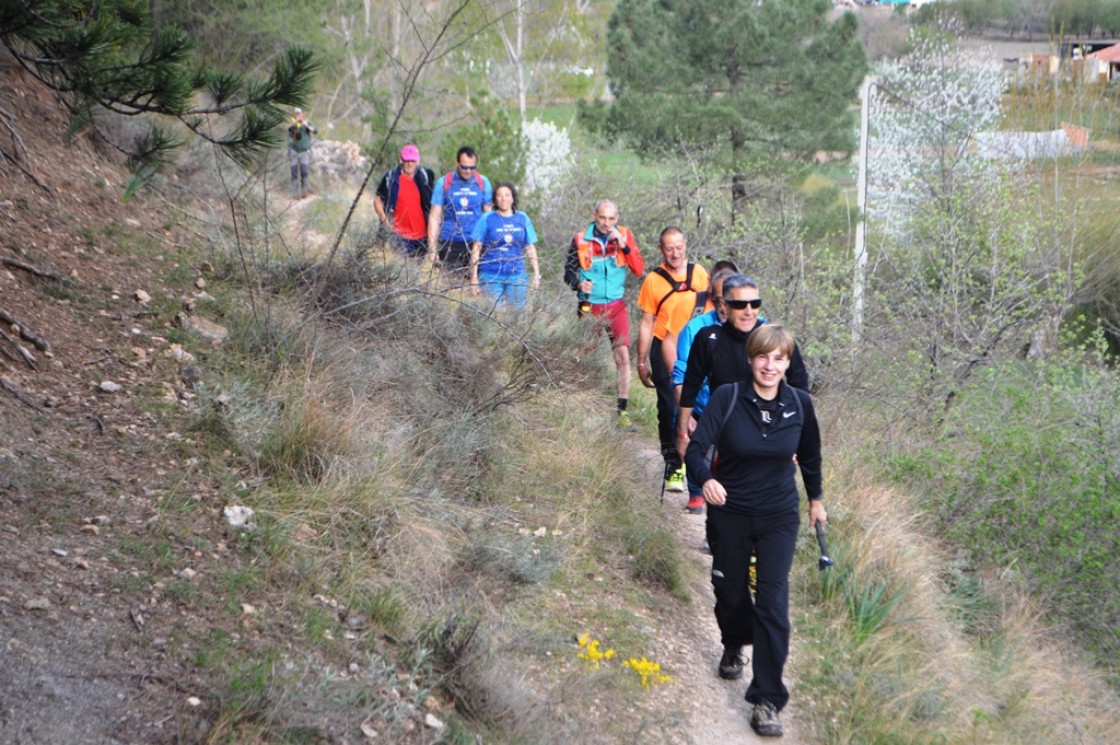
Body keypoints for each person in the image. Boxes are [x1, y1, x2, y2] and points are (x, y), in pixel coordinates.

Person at [684, 323, 826, 738]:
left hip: (778, 515)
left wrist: (816, 501)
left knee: (773, 601)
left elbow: (812, 456)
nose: (769, 365)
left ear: (787, 363)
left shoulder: (800, 404)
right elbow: (696, 450)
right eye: (763, 357)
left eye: (778, 358)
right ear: (751, 359)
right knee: (729, 591)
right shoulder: (728, 397)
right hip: (729, 510)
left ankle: (767, 699)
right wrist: (704, 480)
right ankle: (733, 640)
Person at [677, 274, 810, 464]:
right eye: (740, 304)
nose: (749, 311)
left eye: (755, 304)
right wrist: (682, 435)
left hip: (769, 437)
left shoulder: (774, 338)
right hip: (721, 441)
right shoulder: (708, 338)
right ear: (724, 305)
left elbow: (799, 384)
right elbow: (690, 387)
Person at [635, 227, 709, 493]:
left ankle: (698, 461)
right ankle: (673, 466)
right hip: (663, 344)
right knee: (668, 406)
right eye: (669, 248)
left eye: (679, 247)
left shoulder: (699, 273)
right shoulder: (653, 281)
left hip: (696, 346)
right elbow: (646, 322)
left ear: (685, 245)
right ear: (661, 249)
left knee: (698, 404)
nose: (675, 253)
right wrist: (641, 360)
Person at [563, 199, 645, 430]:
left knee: (622, 357)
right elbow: (568, 273)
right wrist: (579, 285)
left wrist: (623, 245)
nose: (606, 223)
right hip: (590, 306)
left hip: (616, 306)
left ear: (617, 219)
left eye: (611, 219)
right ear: (594, 216)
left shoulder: (625, 236)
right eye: (602, 218)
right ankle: (581, 407)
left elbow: (639, 269)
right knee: (585, 356)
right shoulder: (580, 239)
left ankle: (622, 412)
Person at [670, 261, 739, 513]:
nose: (725, 306)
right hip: (702, 408)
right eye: (720, 299)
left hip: (740, 414)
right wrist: (684, 422)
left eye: (731, 299)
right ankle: (697, 492)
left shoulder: (760, 328)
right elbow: (681, 377)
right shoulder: (695, 329)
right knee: (704, 458)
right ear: (712, 298)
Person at [469, 181, 540, 310]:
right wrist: (474, 277)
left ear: (513, 198)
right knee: (494, 314)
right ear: (495, 199)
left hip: (516, 275)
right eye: (499, 195)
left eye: (507, 195)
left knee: (517, 316)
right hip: (491, 275)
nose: (503, 199)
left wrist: (536, 274)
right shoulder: (487, 218)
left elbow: (530, 247)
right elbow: (476, 248)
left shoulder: (522, 218)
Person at [427, 146, 493, 277]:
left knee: (474, 287)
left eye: (472, 168)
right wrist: (432, 249)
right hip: (450, 242)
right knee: (451, 287)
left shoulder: (483, 182)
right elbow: (434, 217)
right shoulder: (444, 183)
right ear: (456, 163)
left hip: (475, 243)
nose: (468, 171)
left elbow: (488, 216)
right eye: (464, 167)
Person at [374, 145, 436, 257]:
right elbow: (378, 199)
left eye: (412, 160)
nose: (409, 164)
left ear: (418, 160)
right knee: (402, 270)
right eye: (407, 160)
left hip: (422, 237)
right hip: (399, 236)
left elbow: (433, 203)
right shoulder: (391, 178)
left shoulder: (425, 177)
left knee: (417, 272)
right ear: (401, 159)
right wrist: (384, 218)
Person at [287, 107, 318, 199]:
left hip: (305, 150)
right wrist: (295, 123)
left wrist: (306, 125)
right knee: (294, 171)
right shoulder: (292, 123)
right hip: (294, 150)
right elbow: (286, 128)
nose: (298, 115)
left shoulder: (307, 122)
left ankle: (304, 189)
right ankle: (295, 192)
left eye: (299, 113)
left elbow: (315, 131)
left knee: (304, 171)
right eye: (296, 114)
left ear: (302, 114)